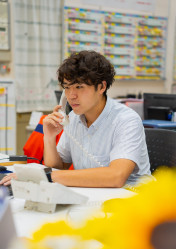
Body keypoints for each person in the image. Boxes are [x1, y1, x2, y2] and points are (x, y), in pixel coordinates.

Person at [0, 50, 151, 188]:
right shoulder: (73, 118)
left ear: (101, 87)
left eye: (79, 87)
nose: (71, 95)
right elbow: (59, 167)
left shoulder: (126, 120)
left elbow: (116, 177)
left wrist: (44, 176)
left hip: (133, 199)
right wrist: (50, 137)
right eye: (66, 87)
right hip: (93, 196)